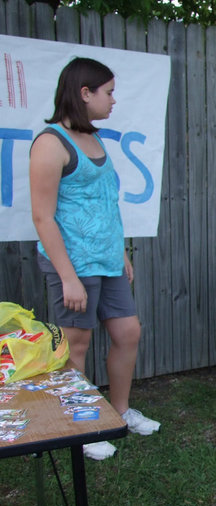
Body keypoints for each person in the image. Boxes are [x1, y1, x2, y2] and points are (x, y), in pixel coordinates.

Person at [29, 57, 160, 461]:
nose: (113, 99)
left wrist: (120, 251)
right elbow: (42, 216)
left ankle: (118, 413)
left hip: (106, 260)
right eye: (108, 91)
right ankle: (84, 426)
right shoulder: (50, 144)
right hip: (74, 265)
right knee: (76, 345)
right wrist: (67, 277)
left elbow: (104, 203)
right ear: (84, 93)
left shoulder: (95, 139)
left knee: (128, 333)